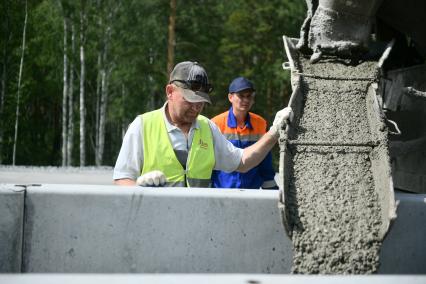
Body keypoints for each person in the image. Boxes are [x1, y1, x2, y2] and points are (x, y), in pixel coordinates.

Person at [113, 61, 293, 187]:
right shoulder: (142, 126)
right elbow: (122, 179)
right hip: (155, 227)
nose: (196, 107)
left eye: (201, 102)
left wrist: (273, 133)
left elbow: (243, 161)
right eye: (190, 100)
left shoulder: (207, 128)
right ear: (170, 91)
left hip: (198, 226)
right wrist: (139, 187)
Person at [211, 77, 277, 189]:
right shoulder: (216, 123)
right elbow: (210, 161)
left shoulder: (260, 123)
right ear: (230, 97)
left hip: (251, 192)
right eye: (241, 96)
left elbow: (265, 158)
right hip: (222, 192)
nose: (246, 100)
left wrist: (271, 189)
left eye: (249, 96)